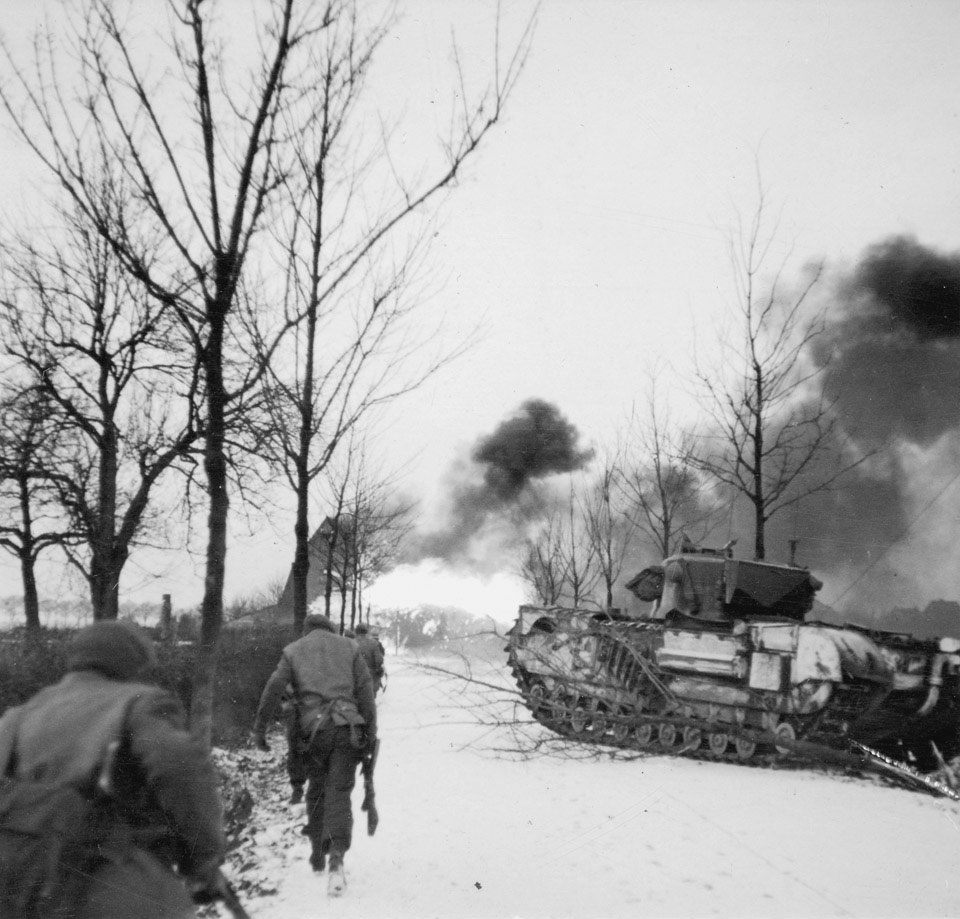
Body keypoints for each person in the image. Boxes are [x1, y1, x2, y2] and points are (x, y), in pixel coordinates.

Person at [0, 620, 226, 919]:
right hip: (105, 878)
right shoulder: (139, 704)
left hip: (19, 883)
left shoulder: (21, 715)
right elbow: (182, 772)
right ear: (132, 663)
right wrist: (203, 861)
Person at [253, 614, 376, 897]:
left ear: (307, 631)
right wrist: (369, 736)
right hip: (348, 730)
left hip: (313, 732)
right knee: (339, 792)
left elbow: (273, 689)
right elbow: (366, 696)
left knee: (317, 789)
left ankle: (317, 855)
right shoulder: (350, 647)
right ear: (331, 629)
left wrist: (260, 729)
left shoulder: (293, 650)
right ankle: (336, 856)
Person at [355, 623, 386, 695]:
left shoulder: (350, 642)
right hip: (370, 677)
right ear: (366, 631)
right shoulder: (373, 643)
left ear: (356, 632)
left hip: (355, 678)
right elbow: (379, 660)